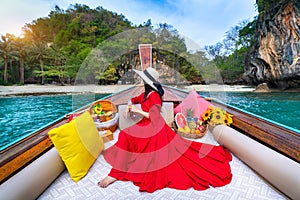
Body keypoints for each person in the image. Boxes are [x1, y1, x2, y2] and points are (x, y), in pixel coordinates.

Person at [98, 67, 232, 193]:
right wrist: (129, 105)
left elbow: (154, 117)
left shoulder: (154, 95)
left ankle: (115, 174)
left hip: (154, 128)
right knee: (125, 134)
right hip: (146, 125)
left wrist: (136, 110)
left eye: (143, 78)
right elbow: (134, 99)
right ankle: (119, 166)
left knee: (127, 135)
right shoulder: (147, 93)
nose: (141, 80)